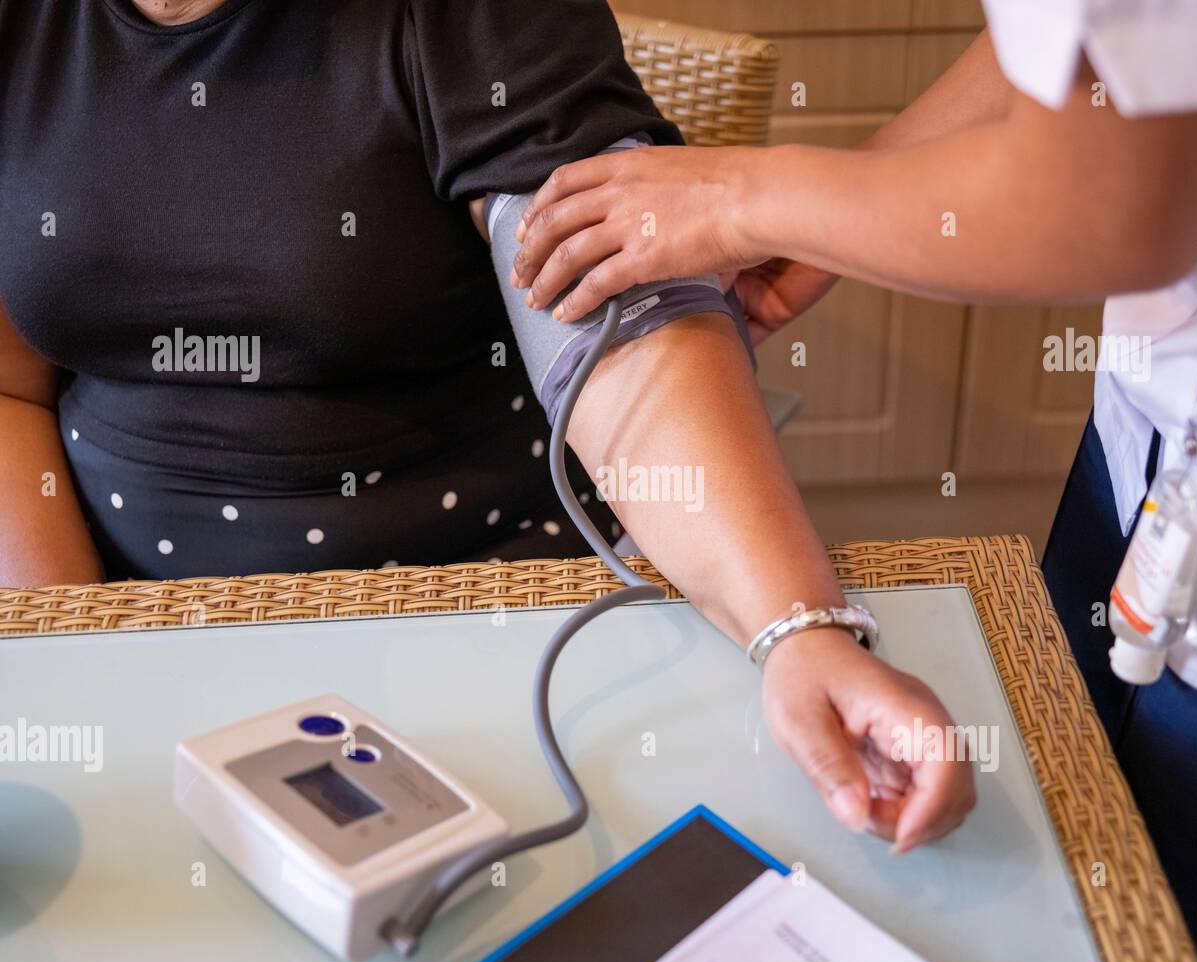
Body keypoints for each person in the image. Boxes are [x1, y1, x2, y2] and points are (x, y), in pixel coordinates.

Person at [0, 1, 975, 854]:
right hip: (121, 604)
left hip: (484, 609)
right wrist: (67, 651)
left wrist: (798, 628)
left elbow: (618, 317)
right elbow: (10, 386)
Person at [509, 2, 1197, 962]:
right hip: (1170, 440)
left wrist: (741, 197)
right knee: (1072, 800)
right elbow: (1083, 54)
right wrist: (843, 198)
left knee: (1186, 941)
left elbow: (1108, 206)